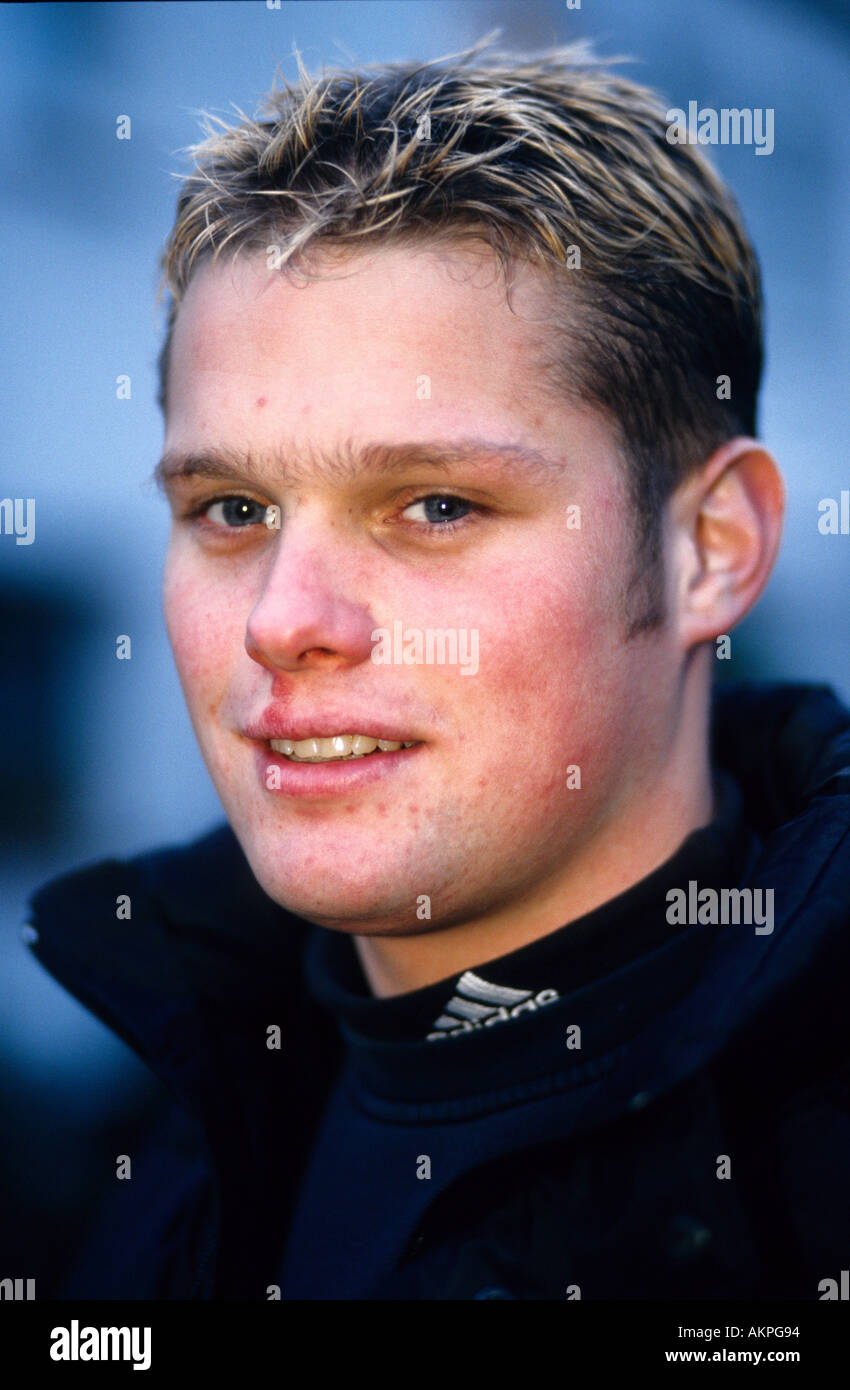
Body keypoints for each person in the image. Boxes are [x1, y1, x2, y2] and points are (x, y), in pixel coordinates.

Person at [27, 41, 850, 1301]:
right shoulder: (164, 1118)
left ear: (707, 549)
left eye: (435, 505)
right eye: (234, 510)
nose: (283, 621)